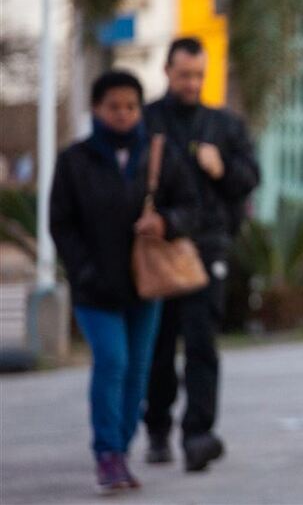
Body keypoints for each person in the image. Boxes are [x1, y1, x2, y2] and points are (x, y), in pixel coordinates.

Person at [50, 71, 198, 493]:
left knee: (138, 370)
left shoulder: (157, 154)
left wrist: (166, 221)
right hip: (94, 289)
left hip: (144, 285)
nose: (123, 114)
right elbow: (61, 224)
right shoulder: (74, 161)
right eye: (113, 106)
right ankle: (107, 453)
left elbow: (191, 207)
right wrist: (82, 271)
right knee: (112, 362)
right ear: (97, 108)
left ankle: (122, 448)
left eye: (131, 106)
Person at [143, 37, 260, 472]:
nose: (191, 82)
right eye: (183, 74)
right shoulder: (148, 120)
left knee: (201, 344)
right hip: (160, 250)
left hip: (208, 247)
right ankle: (156, 427)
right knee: (157, 344)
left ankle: (197, 434)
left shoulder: (224, 125)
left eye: (198, 74)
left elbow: (251, 177)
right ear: (167, 70)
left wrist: (222, 168)